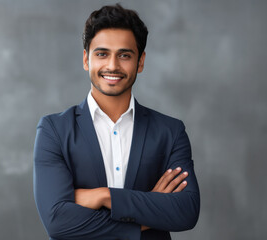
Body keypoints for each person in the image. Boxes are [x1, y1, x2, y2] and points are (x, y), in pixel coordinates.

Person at [34, 4, 200, 240]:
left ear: (140, 62)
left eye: (124, 55)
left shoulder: (170, 132)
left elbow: (186, 211)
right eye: (102, 54)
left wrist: (104, 196)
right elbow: (58, 222)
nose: (112, 65)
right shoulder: (54, 131)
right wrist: (149, 210)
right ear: (85, 59)